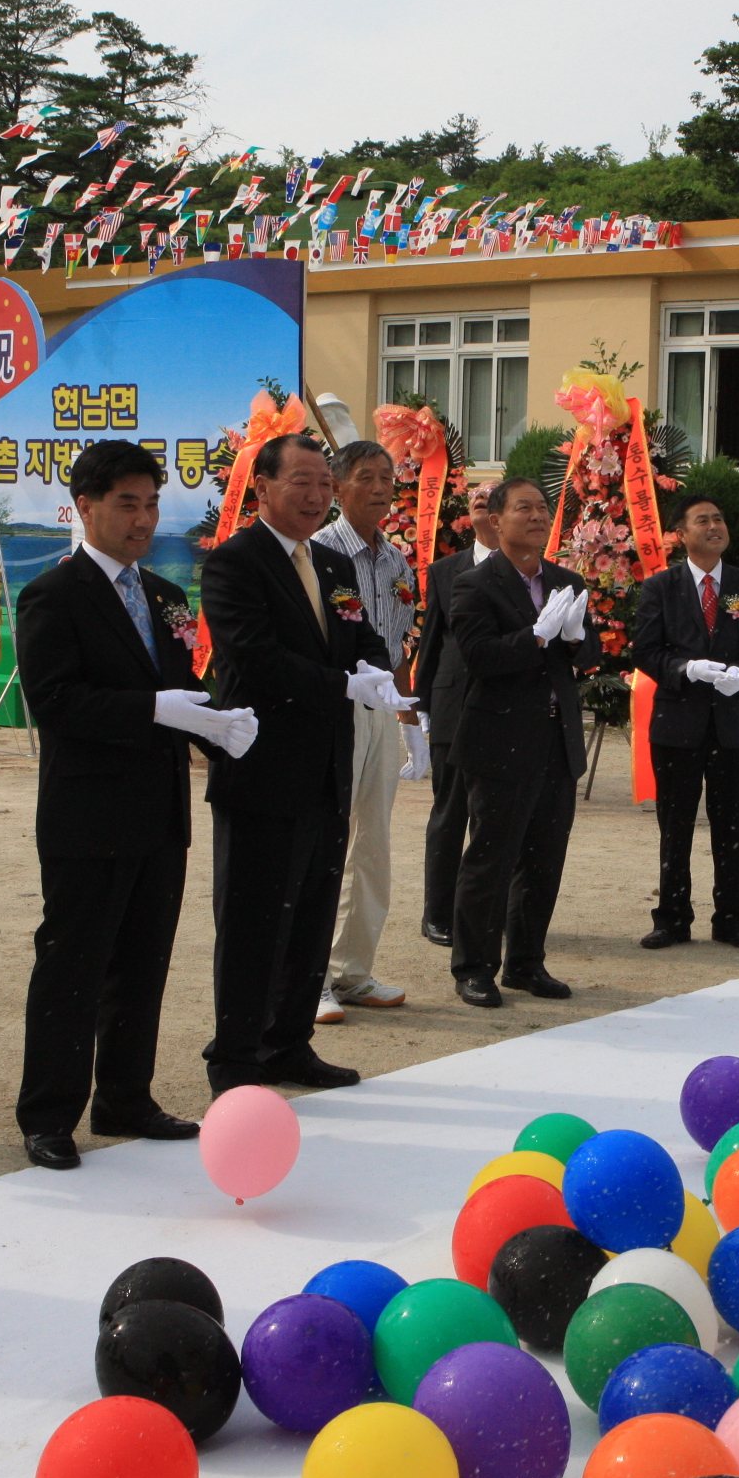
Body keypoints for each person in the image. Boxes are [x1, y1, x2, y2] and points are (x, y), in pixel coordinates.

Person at [12, 440, 258, 1169]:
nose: (143, 519)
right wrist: (150, 709)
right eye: (127, 504)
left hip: (157, 813)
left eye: (152, 504)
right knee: (73, 964)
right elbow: (55, 702)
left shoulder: (166, 596)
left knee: (142, 962)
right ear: (85, 507)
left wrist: (224, 727)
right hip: (87, 816)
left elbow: (186, 689)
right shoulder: (52, 595)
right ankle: (49, 1113)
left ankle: (125, 1095)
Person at [198, 434, 408, 1092]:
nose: (317, 496)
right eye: (302, 483)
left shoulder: (333, 565)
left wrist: (377, 670)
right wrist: (341, 685)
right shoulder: (235, 563)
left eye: (324, 484)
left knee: (313, 911)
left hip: (325, 770)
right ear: (262, 487)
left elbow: (360, 634)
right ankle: (235, 1056)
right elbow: (252, 657)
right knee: (254, 918)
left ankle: (289, 1043)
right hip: (261, 769)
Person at [445, 476, 600, 1007]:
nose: (536, 517)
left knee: (543, 859)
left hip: (556, 741)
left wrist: (576, 637)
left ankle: (526, 963)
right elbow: (482, 657)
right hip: (500, 740)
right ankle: (474, 967)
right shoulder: (474, 583)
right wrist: (536, 635)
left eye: (542, 508)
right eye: (524, 509)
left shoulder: (565, 579)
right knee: (491, 856)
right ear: (494, 518)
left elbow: (587, 652)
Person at [631, 494, 739, 952]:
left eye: (719, 518)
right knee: (675, 826)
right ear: (681, 534)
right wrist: (686, 669)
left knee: (731, 826)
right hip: (678, 724)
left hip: (733, 726)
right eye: (703, 520)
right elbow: (646, 650)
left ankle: (732, 918)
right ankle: (672, 918)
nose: (714, 526)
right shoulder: (661, 587)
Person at [313, 440, 421, 1021]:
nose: (380, 487)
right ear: (337, 485)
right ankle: (312, 977)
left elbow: (399, 646)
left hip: (381, 706)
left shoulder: (397, 560)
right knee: (329, 836)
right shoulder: (321, 550)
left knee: (372, 840)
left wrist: (411, 718)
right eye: (366, 477)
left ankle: (353, 971)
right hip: (335, 703)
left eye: (388, 476)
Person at [411, 480, 500, 950]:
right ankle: (437, 912)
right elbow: (432, 639)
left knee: (497, 817)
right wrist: (421, 704)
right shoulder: (445, 569)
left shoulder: (526, 570)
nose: (483, 512)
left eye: (491, 504)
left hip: (505, 709)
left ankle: (486, 908)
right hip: (452, 703)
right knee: (450, 814)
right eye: (477, 504)